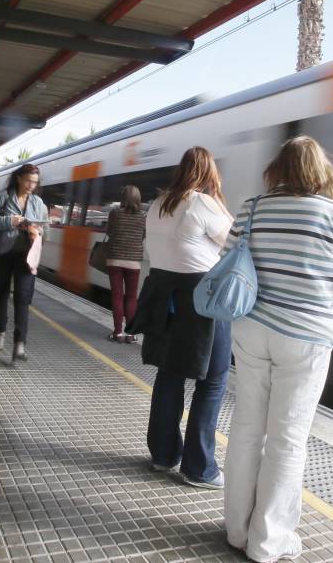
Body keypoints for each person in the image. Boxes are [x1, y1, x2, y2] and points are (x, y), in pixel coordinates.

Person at [223, 136, 333, 563]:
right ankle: (267, 543)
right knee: (287, 440)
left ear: (277, 169)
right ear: (321, 171)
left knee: (247, 430)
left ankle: (236, 529)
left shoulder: (252, 208)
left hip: (252, 329)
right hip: (306, 338)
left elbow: (229, 259)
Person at [126, 147, 233, 490]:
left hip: (162, 294)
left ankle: (162, 454)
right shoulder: (201, 202)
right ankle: (199, 468)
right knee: (212, 380)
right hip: (200, 298)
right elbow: (234, 242)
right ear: (209, 173)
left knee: (169, 375)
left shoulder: (158, 204)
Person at [0, 164, 49, 362]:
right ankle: (0, 332)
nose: (31, 185)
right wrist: (10, 221)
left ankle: (20, 343)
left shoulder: (38, 202)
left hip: (27, 254)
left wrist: (37, 231)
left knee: (23, 297)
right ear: (19, 178)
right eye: (28, 180)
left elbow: (45, 228)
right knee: (2, 291)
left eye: (35, 182)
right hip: (3, 252)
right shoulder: (3, 196)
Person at [105, 185, 146, 343]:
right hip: (133, 261)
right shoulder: (144, 216)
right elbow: (143, 235)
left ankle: (117, 333)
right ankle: (131, 334)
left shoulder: (115, 213)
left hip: (114, 259)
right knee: (131, 297)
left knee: (117, 296)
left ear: (123, 198)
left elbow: (109, 231)